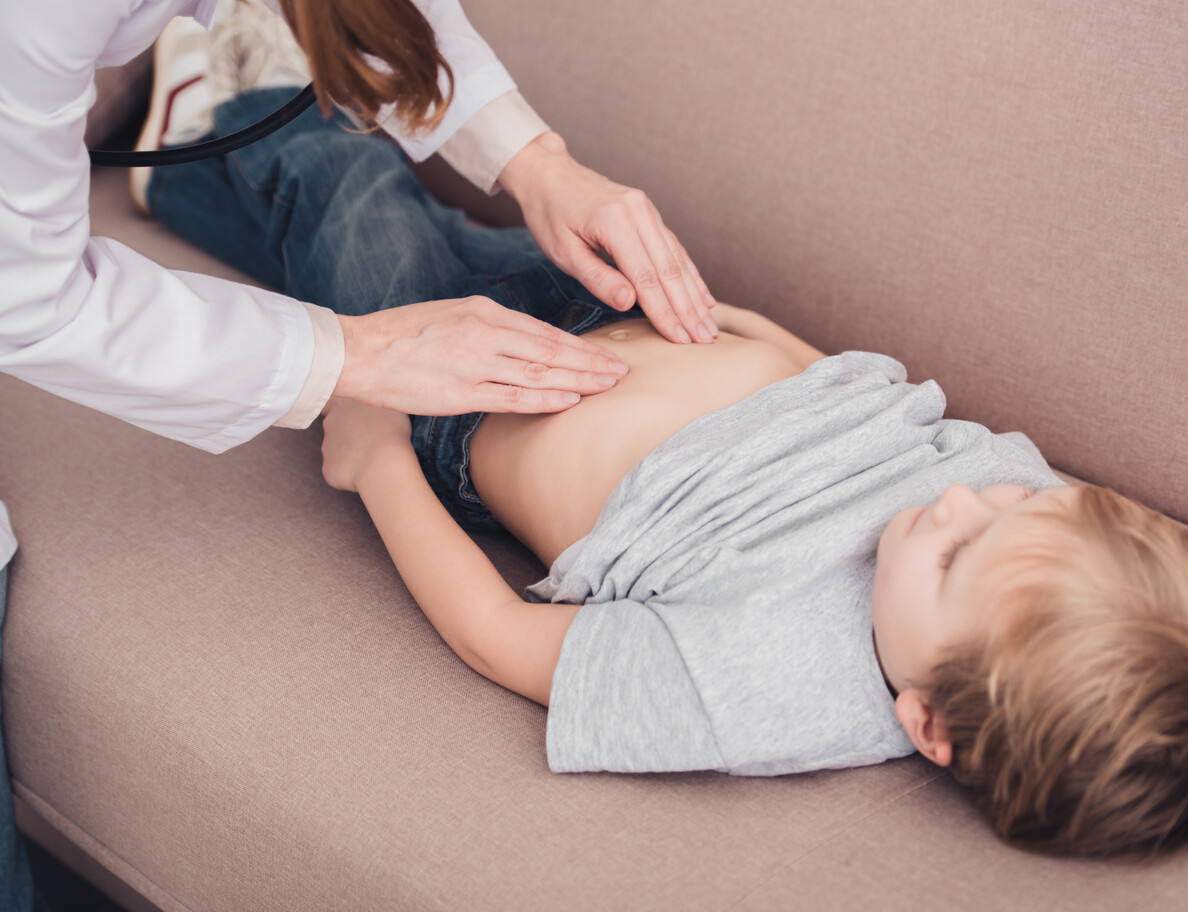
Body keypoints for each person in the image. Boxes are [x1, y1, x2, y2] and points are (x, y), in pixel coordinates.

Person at [141, 33, 1188, 857]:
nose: (964, 500)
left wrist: (379, 459)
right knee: (435, 218)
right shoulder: (1018, 522)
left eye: (957, 553)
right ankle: (198, 156)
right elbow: (865, 396)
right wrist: (736, 331)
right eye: (1014, 504)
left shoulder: (773, 688)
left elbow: (502, 636)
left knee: (358, 201)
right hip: (597, 307)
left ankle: (233, 109)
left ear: (929, 725)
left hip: (461, 403)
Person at [0, 0, 716, 903]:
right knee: (359, 203)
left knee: (371, 213)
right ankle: (221, 126)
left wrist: (542, 167)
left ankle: (202, 143)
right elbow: (26, 297)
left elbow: (382, 13)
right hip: (478, 410)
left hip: (523, 377)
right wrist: (360, 373)